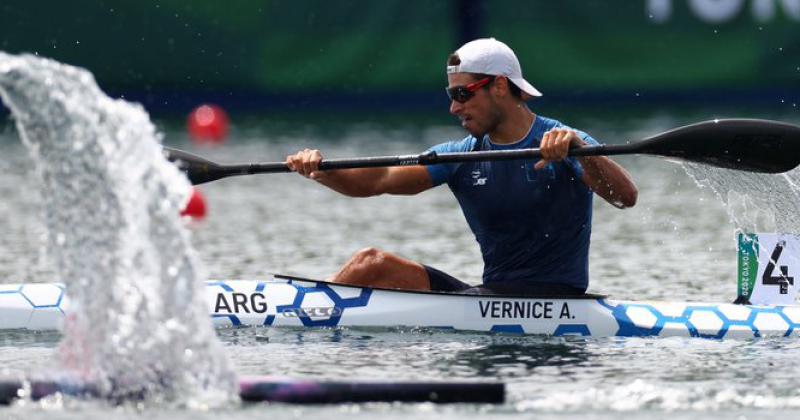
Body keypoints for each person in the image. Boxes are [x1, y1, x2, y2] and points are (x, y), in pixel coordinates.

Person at [286, 38, 638, 296]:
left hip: (557, 298)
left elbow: (625, 197)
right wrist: (322, 170)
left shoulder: (565, 140)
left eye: (462, 94)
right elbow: (378, 180)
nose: (454, 109)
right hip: (491, 296)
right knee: (370, 264)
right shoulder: (460, 157)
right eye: (451, 95)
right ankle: (310, 313)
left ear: (500, 86)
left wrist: (580, 153)